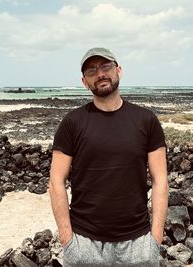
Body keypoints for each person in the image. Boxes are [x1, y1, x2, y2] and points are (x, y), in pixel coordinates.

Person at [49, 47, 169, 267]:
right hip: (84, 244)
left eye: (106, 66)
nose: (100, 73)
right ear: (84, 81)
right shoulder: (72, 123)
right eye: (92, 70)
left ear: (119, 70)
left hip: (138, 244)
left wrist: (155, 239)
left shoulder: (146, 121)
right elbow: (56, 180)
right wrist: (68, 240)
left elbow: (161, 180)